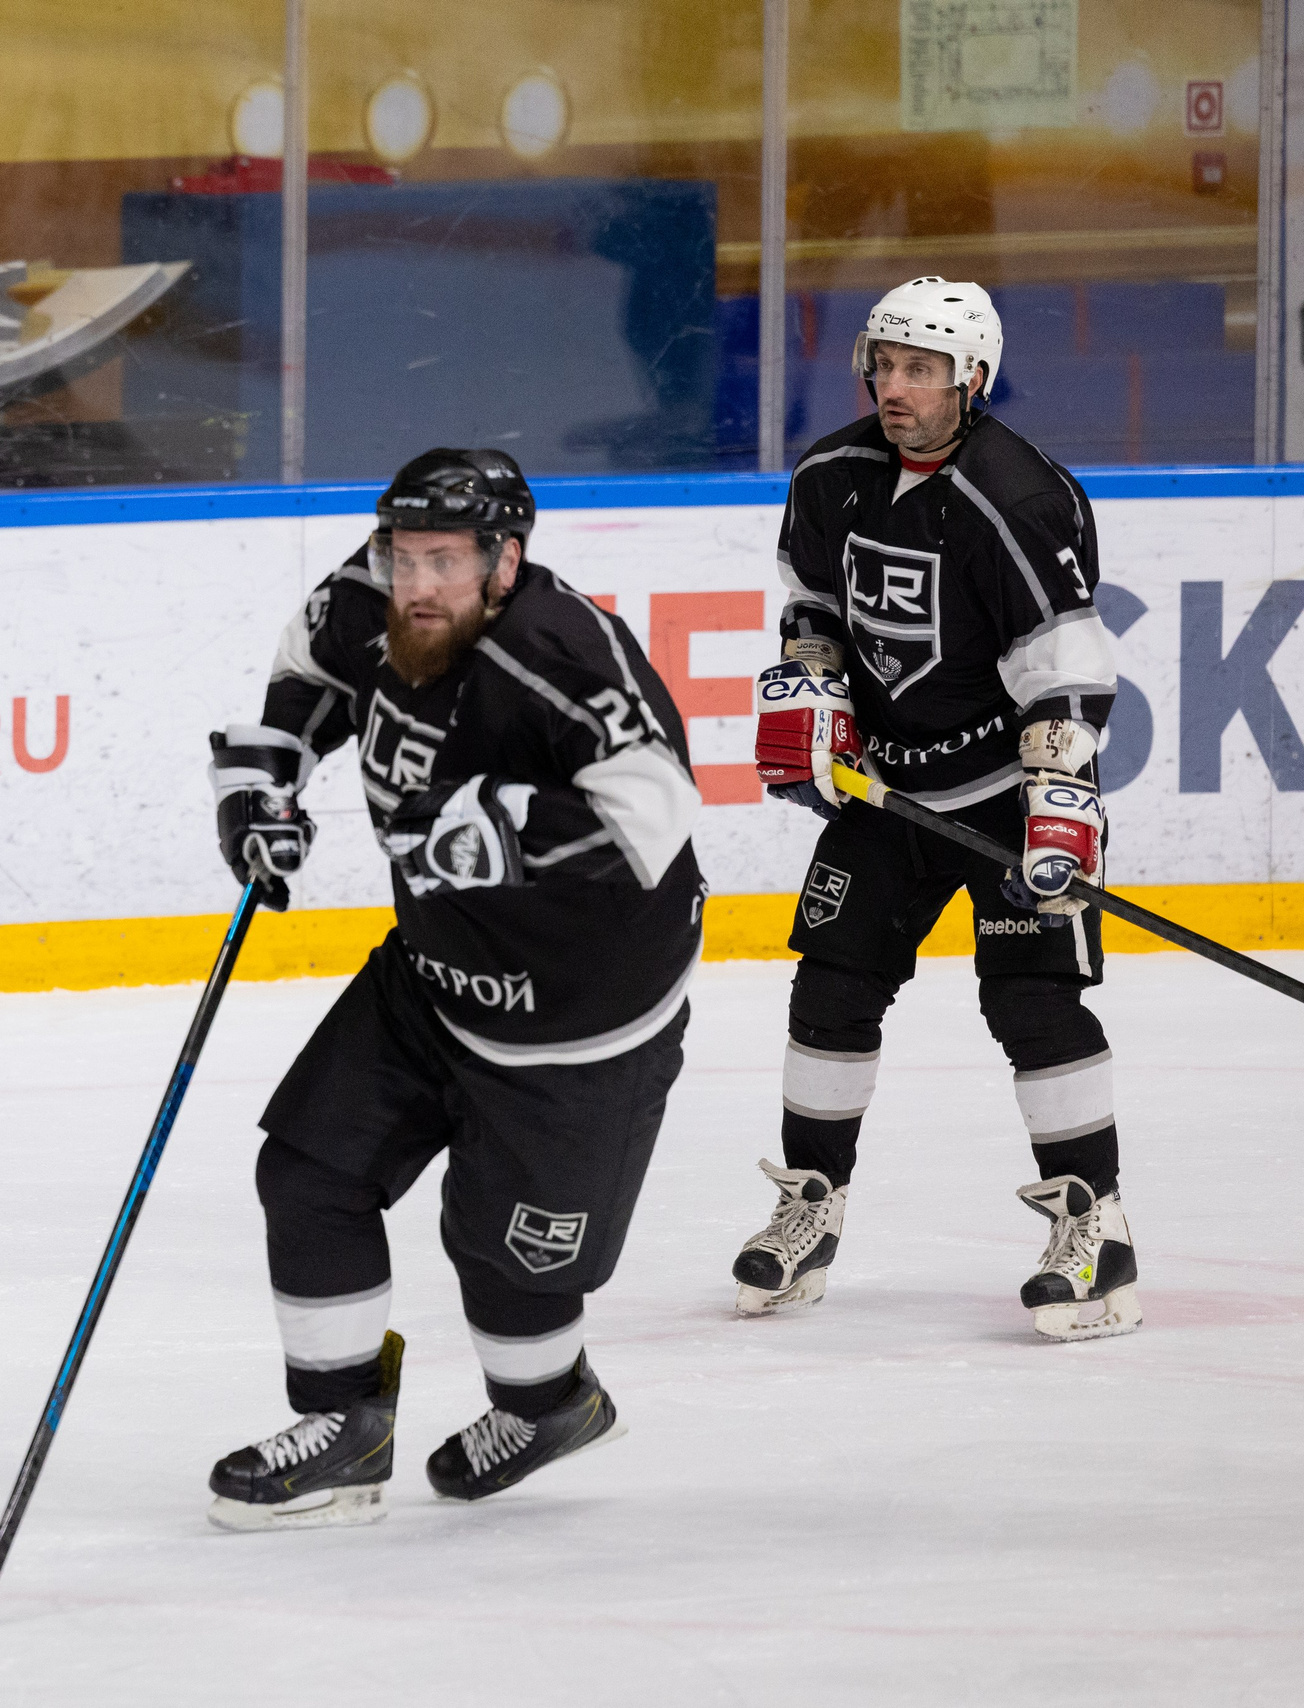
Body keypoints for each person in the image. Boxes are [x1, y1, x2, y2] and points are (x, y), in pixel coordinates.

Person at [200, 449, 704, 1531]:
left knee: (505, 1264)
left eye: (444, 560)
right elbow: (309, 675)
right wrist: (263, 787)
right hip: (431, 978)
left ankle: (551, 1404)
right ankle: (343, 1428)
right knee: (306, 1171)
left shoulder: (565, 658)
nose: (415, 582)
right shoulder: (375, 595)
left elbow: (658, 815)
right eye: (402, 553)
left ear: (505, 560)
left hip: (579, 1020)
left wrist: (515, 828)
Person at [739, 276, 1137, 1342]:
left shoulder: (1019, 497)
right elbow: (813, 604)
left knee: (1033, 1007)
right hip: (888, 791)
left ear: (972, 379)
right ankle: (808, 1208)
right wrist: (815, 689)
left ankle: (1095, 1226)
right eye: (884, 364)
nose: (895, 387)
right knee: (828, 989)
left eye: (921, 369)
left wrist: (1057, 801)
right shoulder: (831, 473)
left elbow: (1064, 667)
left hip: (1007, 793)